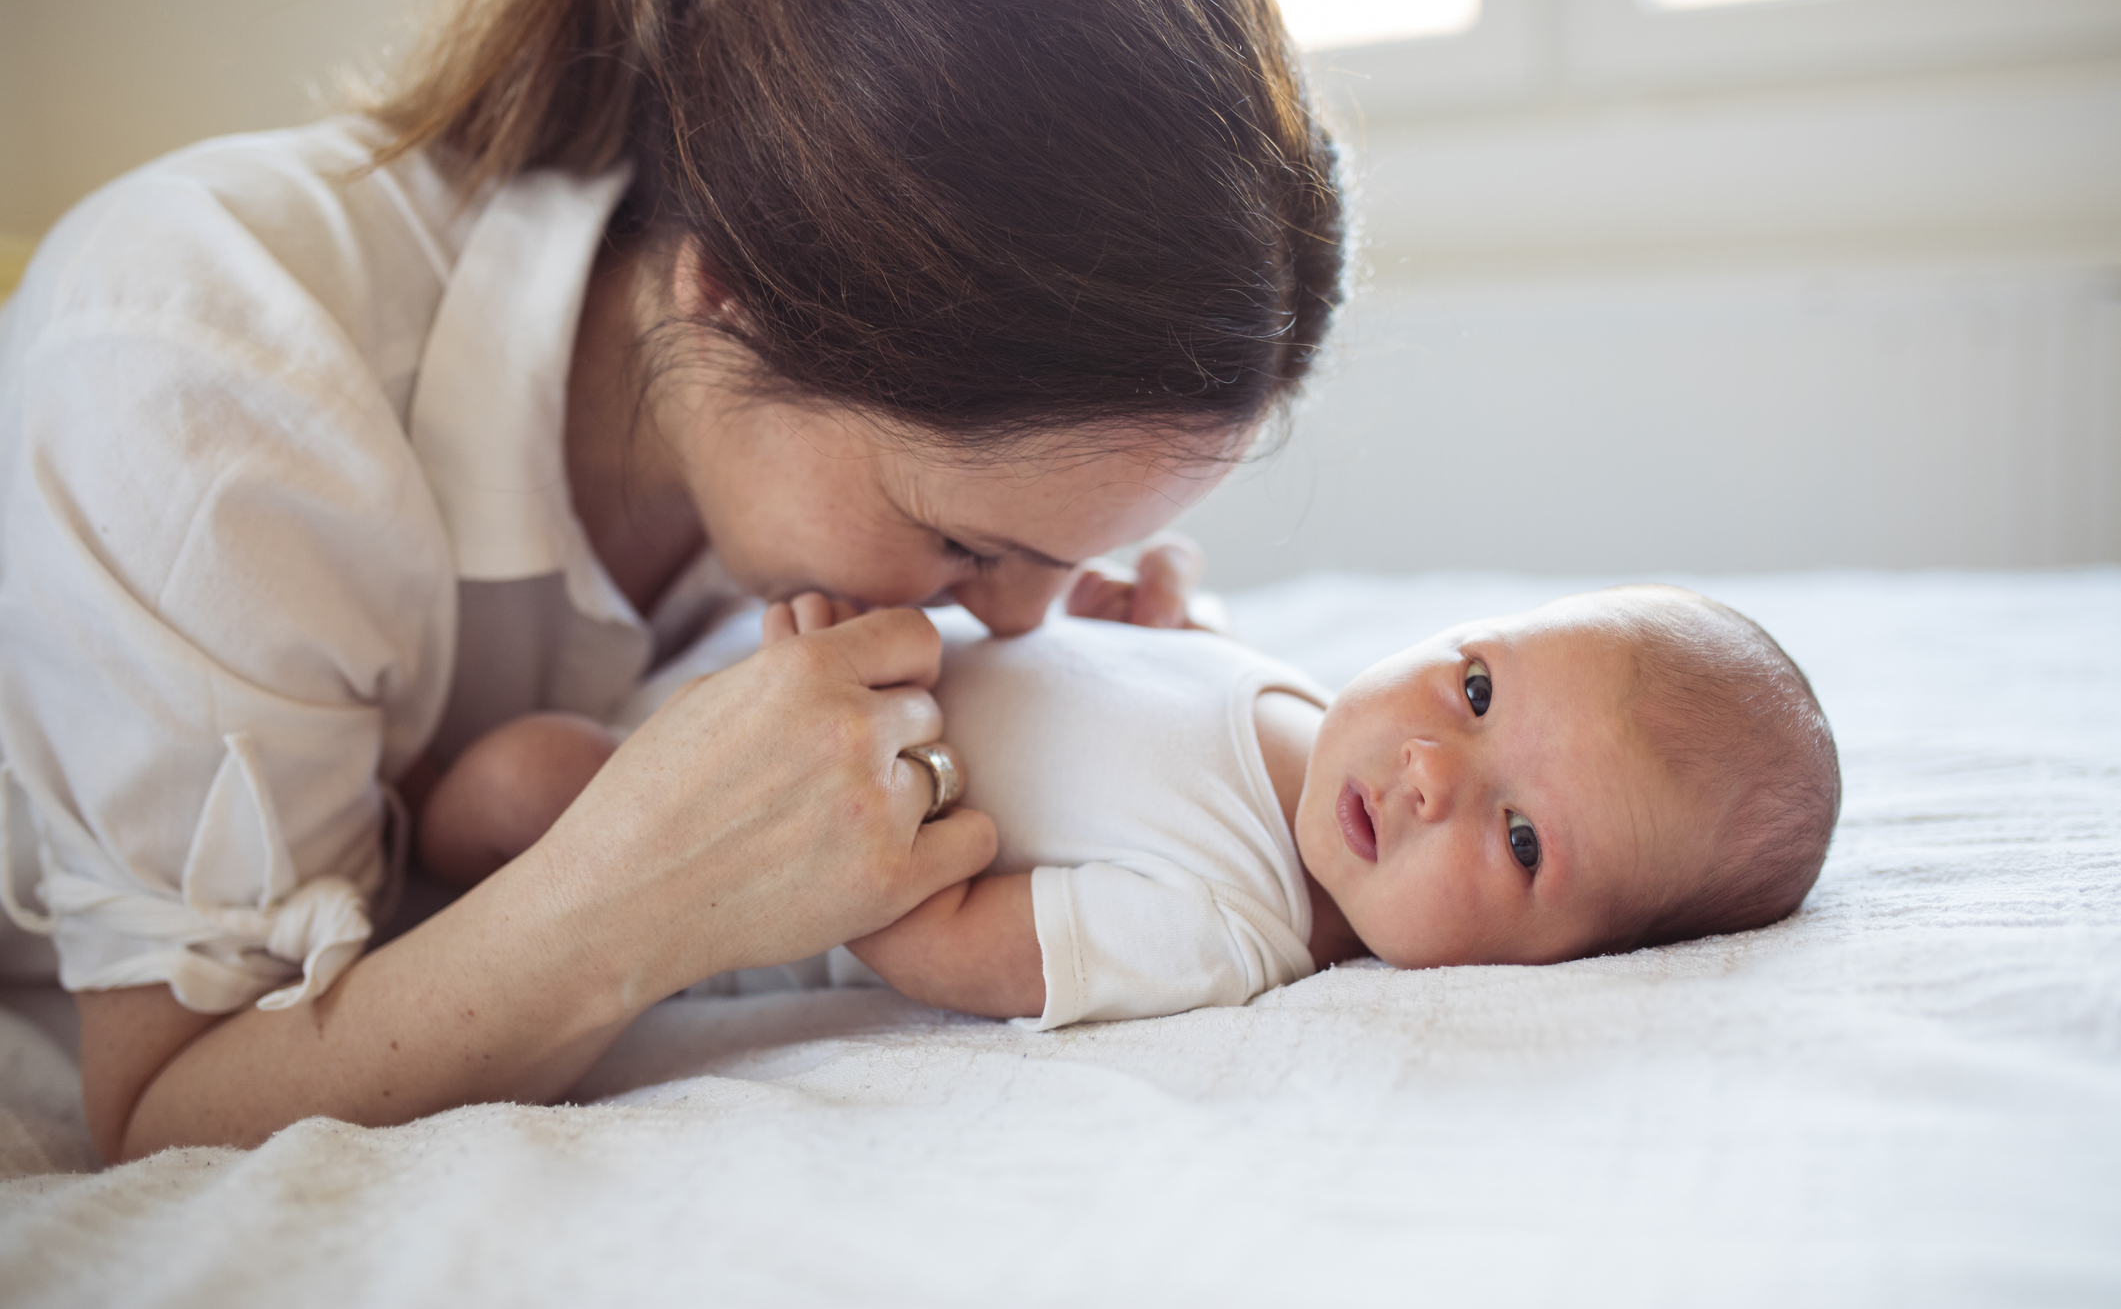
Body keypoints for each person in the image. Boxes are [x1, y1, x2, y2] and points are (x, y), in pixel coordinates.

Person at [0, 0, 1344, 1159]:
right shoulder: (210, 383)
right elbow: (162, 1110)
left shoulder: (782, 464)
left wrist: (1082, 728)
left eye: (1067, 552)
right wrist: (633, 898)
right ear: (721, 301)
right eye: (968, 545)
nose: (1004, 612)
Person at [424, 584, 1842, 1025]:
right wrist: (1134, 613)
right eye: (1475, 689)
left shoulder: (1223, 930)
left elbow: (950, 938)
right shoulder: (1291, 703)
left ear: (1561, 967)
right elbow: (1126, 690)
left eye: (1521, 839)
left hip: (735, 833)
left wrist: (819, 747)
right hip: (773, 675)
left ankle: (392, 891)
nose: (1429, 773)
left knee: (516, 779)